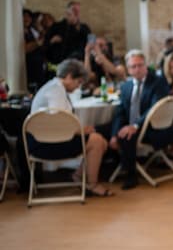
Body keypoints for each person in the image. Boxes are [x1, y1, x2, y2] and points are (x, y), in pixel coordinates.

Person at [29, 59, 111, 197]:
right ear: (68, 76)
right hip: (46, 144)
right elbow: (61, 123)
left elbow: (59, 122)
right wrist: (81, 130)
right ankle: (92, 184)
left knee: (101, 141)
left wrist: (81, 130)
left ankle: (79, 176)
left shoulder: (53, 87)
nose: (78, 87)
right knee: (96, 141)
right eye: (78, 82)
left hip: (43, 140)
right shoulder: (55, 91)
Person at [110, 50, 172, 190]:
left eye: (140, 65)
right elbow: (120, 112)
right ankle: (113, 166)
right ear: (128, 69)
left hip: (153, 127)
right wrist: (114, 134)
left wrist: (136, 126)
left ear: (146, 65)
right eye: (133, 66)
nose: (137, 69)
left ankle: (131, 174)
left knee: (127, 135)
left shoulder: (158, 82)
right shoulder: (126, 86)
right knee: (103, 130)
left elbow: (154, 108)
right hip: (131, 124)